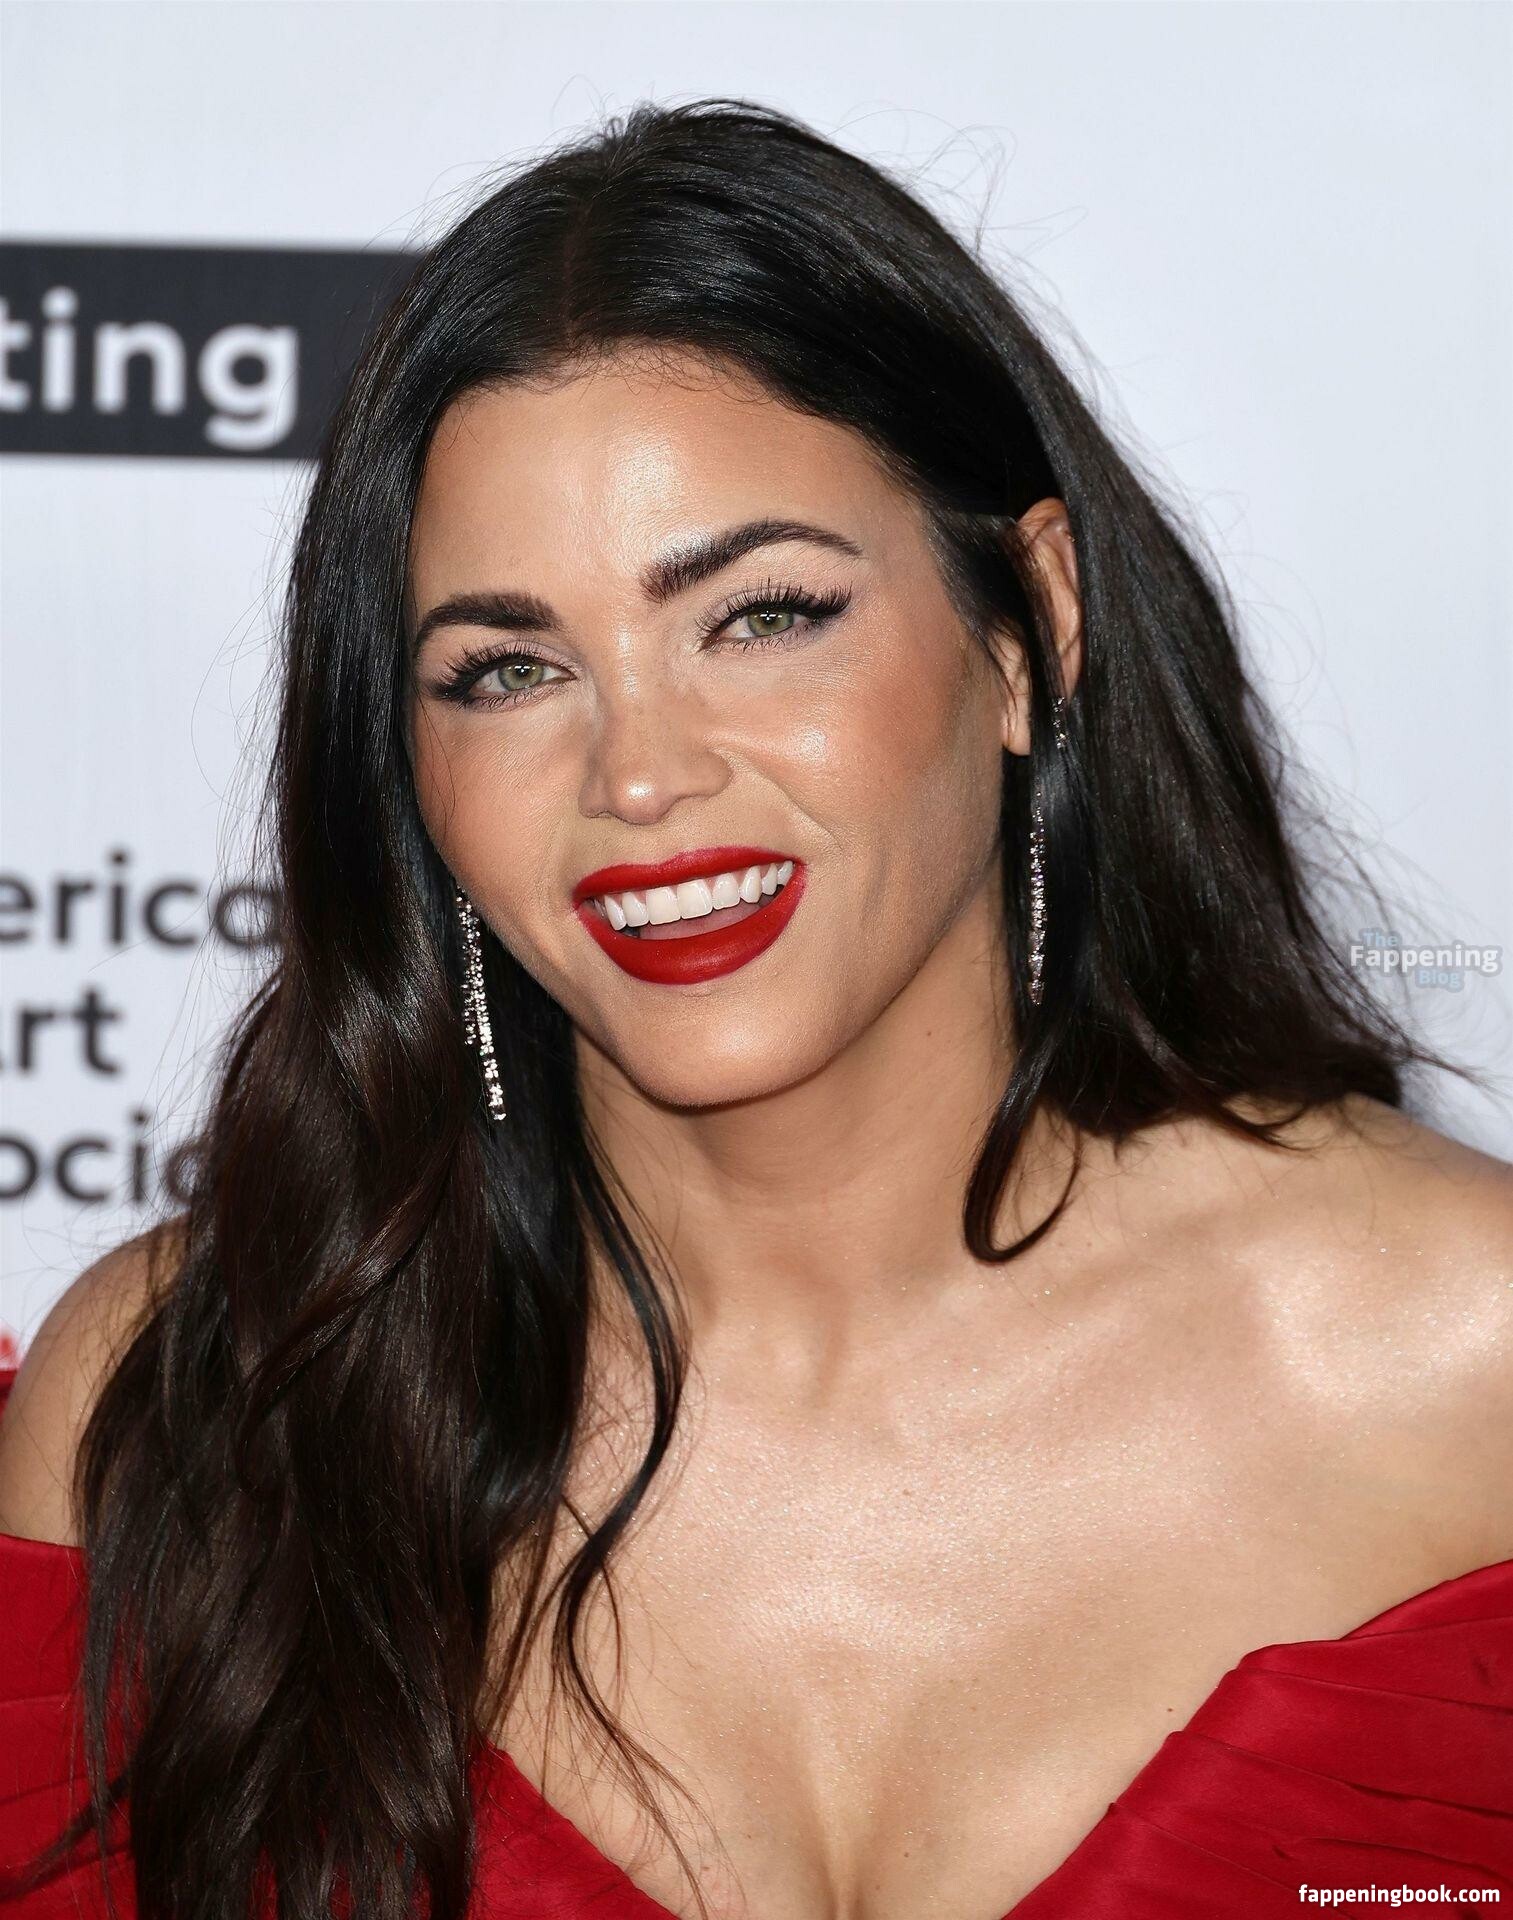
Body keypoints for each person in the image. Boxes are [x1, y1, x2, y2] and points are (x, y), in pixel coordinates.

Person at [2, 95, 1511, 1920]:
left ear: (1027, 626)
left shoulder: (1468, 1361)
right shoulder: (196, 1408)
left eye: (761, 616)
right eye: (508, 668)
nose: (638, 773)